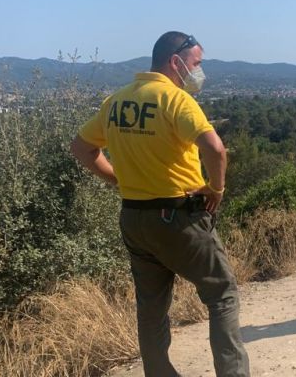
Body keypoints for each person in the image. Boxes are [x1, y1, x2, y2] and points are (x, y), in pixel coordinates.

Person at [70, 31, 250, 377]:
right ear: (176, 61)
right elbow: (214, 148)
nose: (199, 71)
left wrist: (117, 179)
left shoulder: (117, 101)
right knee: (222, 294)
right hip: (179, 218)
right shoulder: (175, 100)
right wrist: (217, 189)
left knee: (151, 309)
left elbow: (81, 148)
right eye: (197, 64)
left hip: (135, 218)